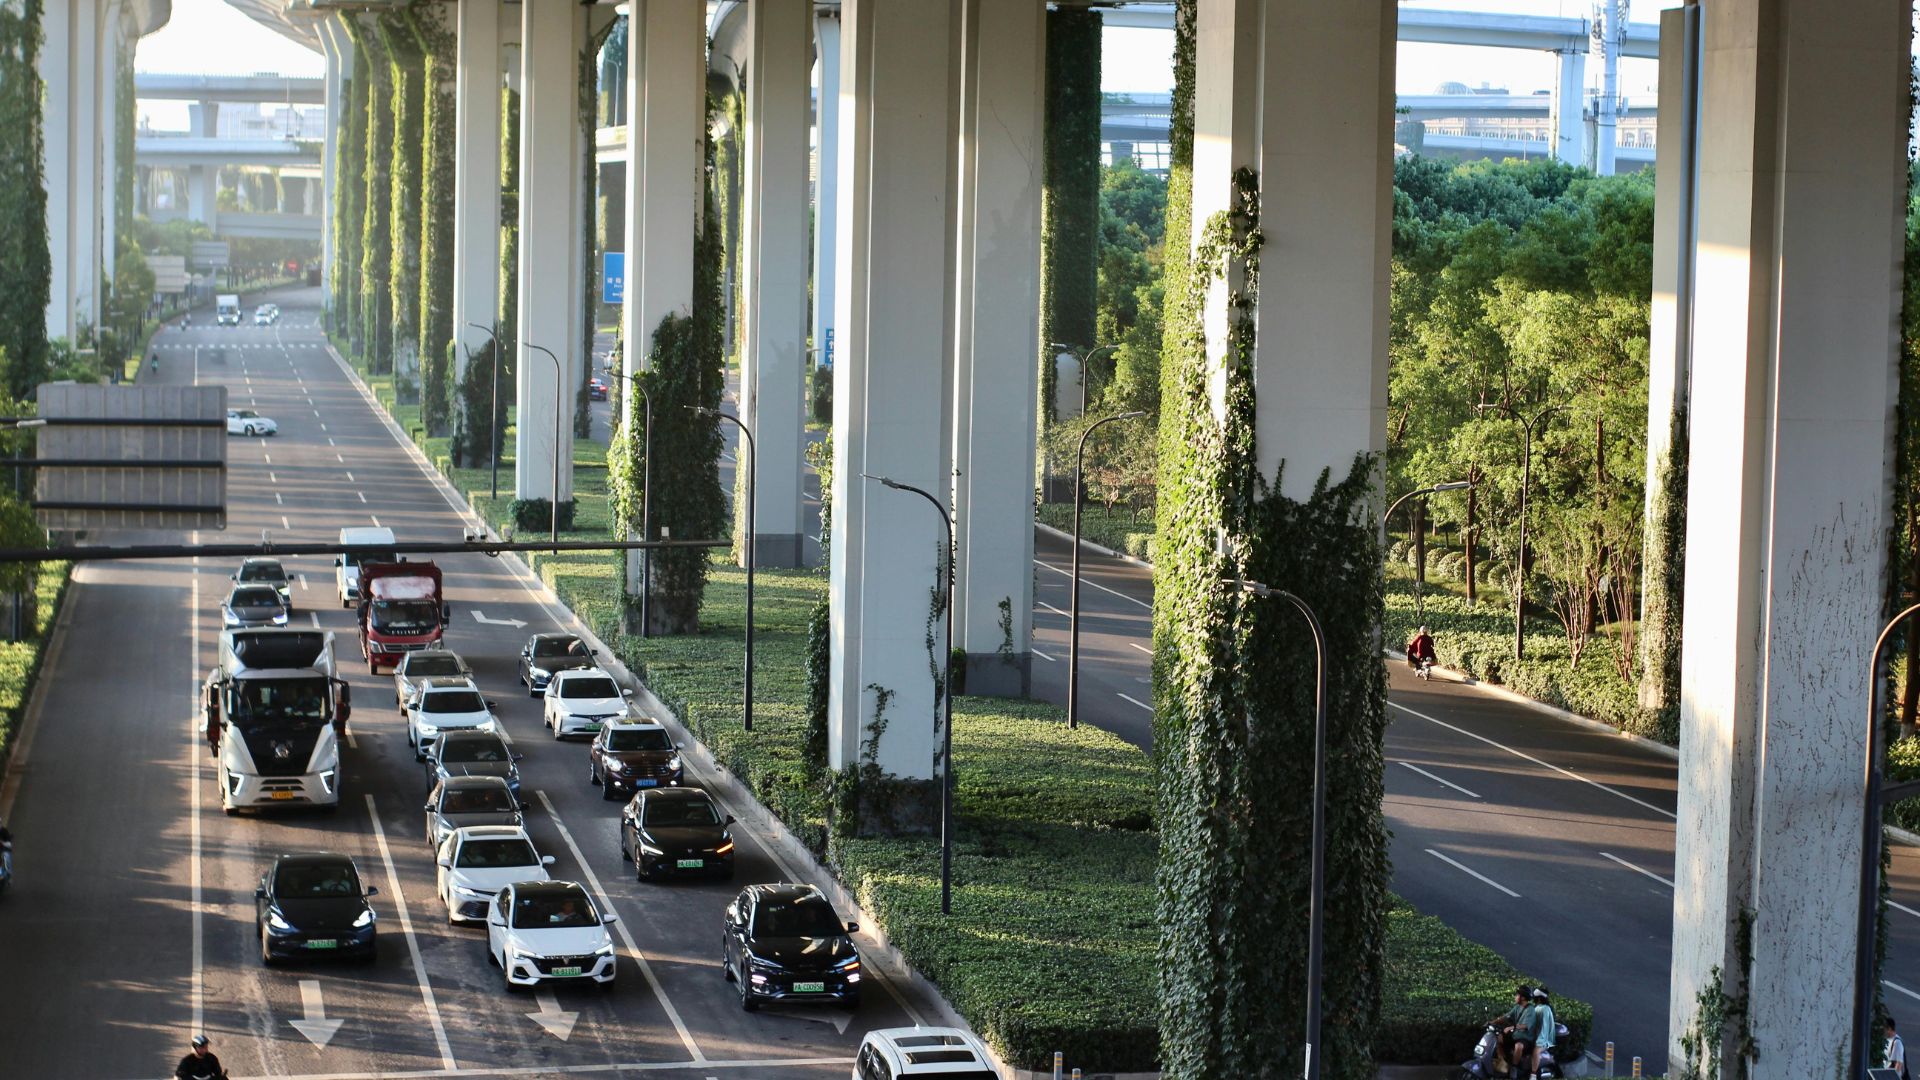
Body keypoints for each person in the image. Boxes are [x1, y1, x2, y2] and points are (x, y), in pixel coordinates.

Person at [1491, 985, 1531, 1076]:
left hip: (1526, 1037)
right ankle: (1503, 1061)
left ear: (1523, 997)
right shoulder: (1517, 1007)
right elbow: (1506, 1017)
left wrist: (1511, 1028)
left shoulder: (1530, 1010)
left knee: (1518, 1046)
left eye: (1517, 995)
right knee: (1498, 1037)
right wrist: (1492, 1022)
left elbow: (1526, 1026)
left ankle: (1514, 1068)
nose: (1515, 997)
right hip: (1516, 1035)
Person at [1527, 986, 1557, 1080]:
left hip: (1544, 1039)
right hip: (1535, 1036)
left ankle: (1533, 1075)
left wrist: (1539, 1041)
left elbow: (1544, 1028)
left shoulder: (1545, 1009)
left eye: (1535, 997)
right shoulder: (1538, 1007)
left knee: (1536, 1052)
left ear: (1539, 998)